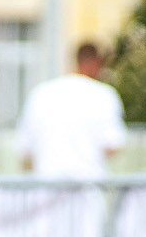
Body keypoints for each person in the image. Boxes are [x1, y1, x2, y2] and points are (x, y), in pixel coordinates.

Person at [15, 42, 127, 180]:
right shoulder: (104, 95)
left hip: (46, 186)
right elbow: (113, 145)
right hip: (89, 185)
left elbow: (25, 151)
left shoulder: (40, 93)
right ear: (95, 63)